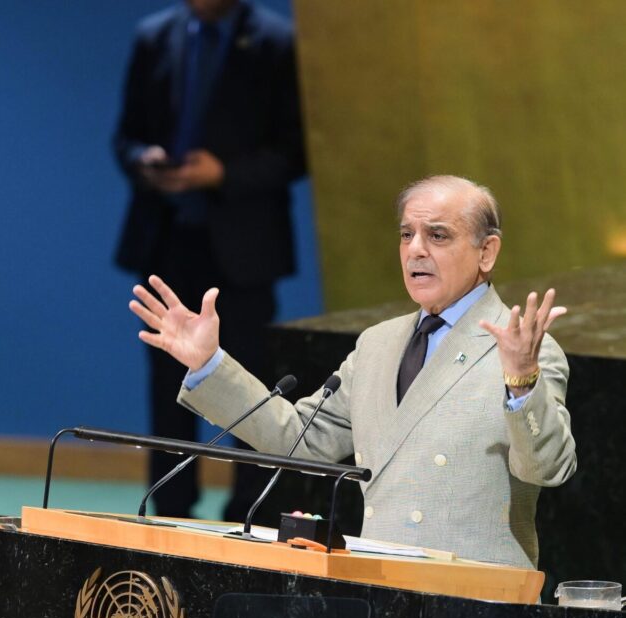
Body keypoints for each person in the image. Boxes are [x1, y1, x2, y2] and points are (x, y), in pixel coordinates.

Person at [129, 174, 577, 567]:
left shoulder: (523, 350)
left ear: (487, 252)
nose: (415, 250)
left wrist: (521, 381)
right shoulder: (378, 344)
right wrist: (208, 363)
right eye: (406, 235)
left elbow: (547, 469)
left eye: (438, 235)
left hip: (480, 607)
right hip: (380, 592)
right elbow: (298, 441)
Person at [112, 0, 306, 520]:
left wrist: (222, 173)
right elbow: (124, 136)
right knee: (166, 384)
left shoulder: (276, 41)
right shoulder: (154, 35)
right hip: (166, 241)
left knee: (247, 381)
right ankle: (171, 510)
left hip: (243, 248)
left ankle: (251, 513)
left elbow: (297, 150)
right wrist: (143, 160)